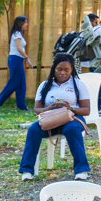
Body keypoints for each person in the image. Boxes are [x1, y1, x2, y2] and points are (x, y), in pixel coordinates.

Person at [19, 55, 93, 184]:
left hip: (71, 118)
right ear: (54, 69)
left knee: (73, 129)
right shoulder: (44, 85)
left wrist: (70, 109)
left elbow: (86, 110)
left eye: (66, 70)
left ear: (71, 70)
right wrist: (49, 107)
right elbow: (37, 110)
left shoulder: (78, 84)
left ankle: (81, 170)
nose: (62, 73)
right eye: (59, 69)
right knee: (33, 129)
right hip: (51, 119)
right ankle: (27, 170)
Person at [0, 15, 31, 111]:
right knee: (13, 83)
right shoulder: (17, 33)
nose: (27, 24)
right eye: (25, 22)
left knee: (21, 84)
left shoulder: (19, 34)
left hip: (18, 60)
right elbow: (18, 48)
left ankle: (21, 106)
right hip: (15, 59)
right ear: (20, 23)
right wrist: (27, 57)